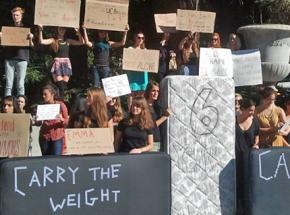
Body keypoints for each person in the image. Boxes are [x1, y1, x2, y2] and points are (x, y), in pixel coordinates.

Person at [38, 25, 84, 99]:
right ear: (57, 29)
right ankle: (61, 101)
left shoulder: (68, 41)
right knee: (61, 85)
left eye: (63, 29)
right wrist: (40, 30)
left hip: (66, 64)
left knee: (63, 86)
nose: (62, 30)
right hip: (57, 64)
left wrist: (78, 32)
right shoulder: (53, 40)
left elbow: (82, 42)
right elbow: (42, 41)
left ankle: (59, 100)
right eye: (60, 29)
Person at [0, 7, 34, 96]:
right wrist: (1, 38)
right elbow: (3, 45)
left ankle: (21, 104)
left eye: (17, 15)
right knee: (8, 84)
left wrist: (31, 39)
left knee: (20, 84)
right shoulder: (8, 29)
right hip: (9, 58)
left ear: (21, 16)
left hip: (22, 58)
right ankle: (7, 105)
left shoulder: (26, 29)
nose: (15, 16)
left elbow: (32, 46)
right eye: (14, 15)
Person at [235, 99, 259, 215]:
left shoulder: (254, 121)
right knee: (237, 182)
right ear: (242, 109)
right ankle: (238, 209)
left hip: (249, 156)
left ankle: (247, 210)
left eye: (253, 110)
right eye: (250, 110)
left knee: (248, 183)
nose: (252, 113)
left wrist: (256, 144)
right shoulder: (234, 120)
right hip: (235, 156)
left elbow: (256, 135)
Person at [38, 84, 69, 155]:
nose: (43, 96)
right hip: (44, 137)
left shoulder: (61, 105)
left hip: (57, 137)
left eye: (45, 94)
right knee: (45, 161)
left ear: (52, 94)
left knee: (56, 160)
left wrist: (62, 120)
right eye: (43, 94)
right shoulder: (42, 107)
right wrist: (37, 120)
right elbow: (39, 123)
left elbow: (67, 122)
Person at [145, 81, 171, 151]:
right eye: (153, 91)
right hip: (147, 142)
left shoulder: (157, 107)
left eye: (158, 91)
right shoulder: (144, 106)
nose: (156, 93)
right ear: (148, 91)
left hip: (157, 140)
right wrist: (165, 116)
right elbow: (151, 125)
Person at [126, 31, 149, 109]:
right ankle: (130, 112)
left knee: (141, 94)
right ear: (135, 38)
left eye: (142, 38)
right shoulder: (130, 49)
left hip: (142, 74)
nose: (140, 39)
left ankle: (140, 111)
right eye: (139, 37)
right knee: (131, 93)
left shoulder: (145, 50)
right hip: (133, 74)